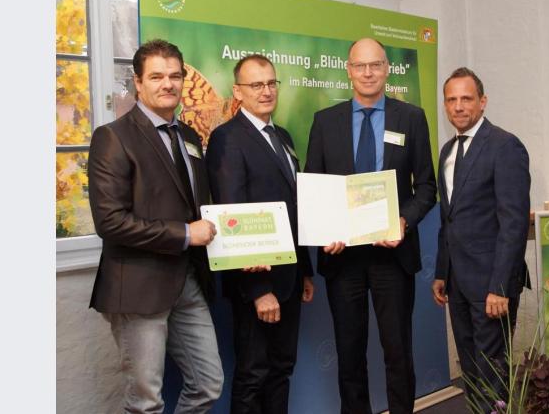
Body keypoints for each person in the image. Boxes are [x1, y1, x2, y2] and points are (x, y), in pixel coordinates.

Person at [88, 39, 223, 413]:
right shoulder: (113, 137)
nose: (168, 84)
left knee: (208, 385)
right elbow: (110, 221)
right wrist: (184, 234)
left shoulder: (191, 137)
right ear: (138, 82)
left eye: (175, 76)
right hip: (138, 286)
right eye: (157, 76)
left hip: (187, 282)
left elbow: (198, 205)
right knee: (145, 402)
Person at [304, 38, 437, 414]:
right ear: (348, 69)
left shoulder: (410, 117)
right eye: (360, 65)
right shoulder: (325, 121)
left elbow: (426, 186)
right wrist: (323, 228)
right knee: (349, 353)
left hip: (391, 257)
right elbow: (316, 186)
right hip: (342, 259)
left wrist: (404, 220)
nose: (367, 73)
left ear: (387, 70)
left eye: (375, 65)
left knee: (397, 352)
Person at [206, 54, 314, 414]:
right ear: (238, 91)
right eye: (256, 85)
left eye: (271, 83)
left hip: (290, 278)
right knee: (254, 375)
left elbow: (293, 205)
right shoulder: (226, 138)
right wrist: (258, 290)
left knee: (282, 369)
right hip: (258, 285)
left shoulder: (281, 136)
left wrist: (305, 271)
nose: (266, 91)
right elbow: (230, 216)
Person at [431, 67, 531, 411]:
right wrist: (442, 273)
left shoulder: (505, 146)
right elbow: (450, 219)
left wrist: (500, 287)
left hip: (492, 286)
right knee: (471, 371)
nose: (458, 107)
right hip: (458, 284)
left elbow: (514, 224)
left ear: (483, 102)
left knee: (492, 374)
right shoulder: (446, 151)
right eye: (451, 100)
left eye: (466, 98)